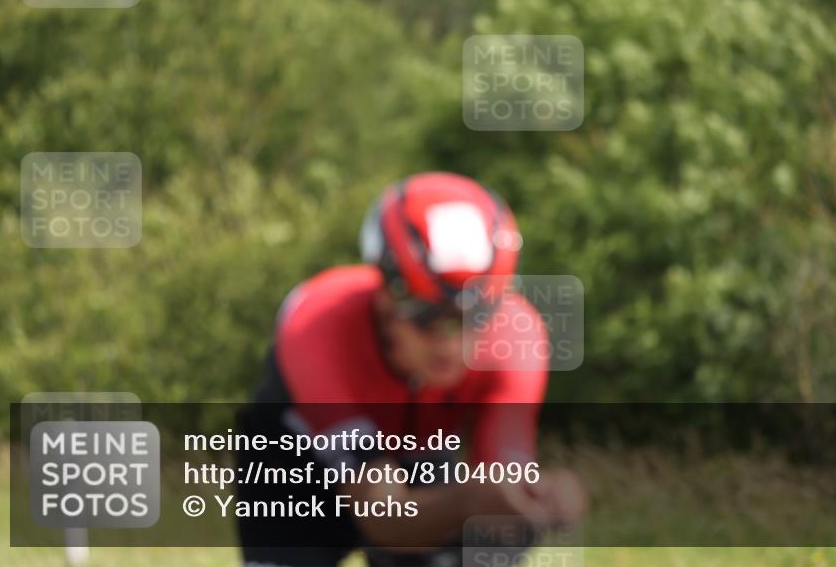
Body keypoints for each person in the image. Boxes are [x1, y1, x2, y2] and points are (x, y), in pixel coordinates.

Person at [237, 172, 585, 567]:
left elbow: (500, 484)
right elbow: (383, 516)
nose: (449, 342)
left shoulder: (516, 338)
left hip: (419, 452)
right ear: (385, 295)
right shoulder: (319, 324)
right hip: (299, 463)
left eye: (475, 317)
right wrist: (470, 499)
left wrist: (538, 502)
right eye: (426, 318)